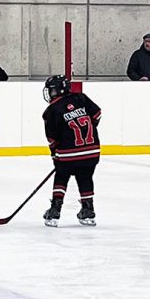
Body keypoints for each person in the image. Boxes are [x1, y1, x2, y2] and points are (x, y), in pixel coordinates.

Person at [41, 74, 102, 227]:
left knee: (61, 177)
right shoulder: (81, 98)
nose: (50, 93)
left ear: (59, 90)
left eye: (52, 90)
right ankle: (88, 210)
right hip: (91, 151)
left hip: (68, 154)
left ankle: (55, 210)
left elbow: (52, 139)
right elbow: (97, 114)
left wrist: (55, 154)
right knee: (85, 177)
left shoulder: (51, 111)